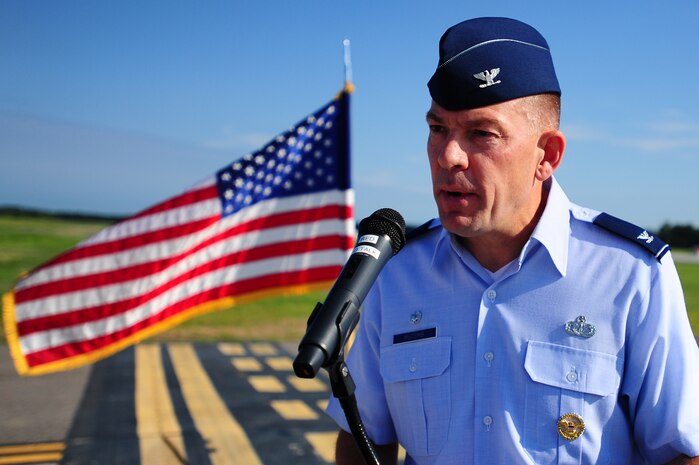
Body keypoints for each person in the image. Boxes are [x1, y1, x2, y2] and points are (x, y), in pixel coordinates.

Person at [326, 17, 699, 465]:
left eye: (481, 134)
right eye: (438, 128)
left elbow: (682, 452)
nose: (448, 157)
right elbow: (364, 436)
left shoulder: (631, 275)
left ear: (548, 156)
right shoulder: (397, 273)